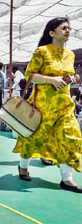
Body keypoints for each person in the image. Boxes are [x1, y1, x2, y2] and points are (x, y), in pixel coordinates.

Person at [14, 17, 82, 193]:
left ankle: (67, 179)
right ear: (52, 33)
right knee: (33, 138)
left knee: (69, 139)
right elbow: (29, 76)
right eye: (63, 28)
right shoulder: (41, 52)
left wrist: (73, 80)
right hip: (42, 106)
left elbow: (69, 76)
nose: (68, 30)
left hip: (65, 106)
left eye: (69, 28)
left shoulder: (70, 54)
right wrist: (51, 80)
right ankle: (23, 165)